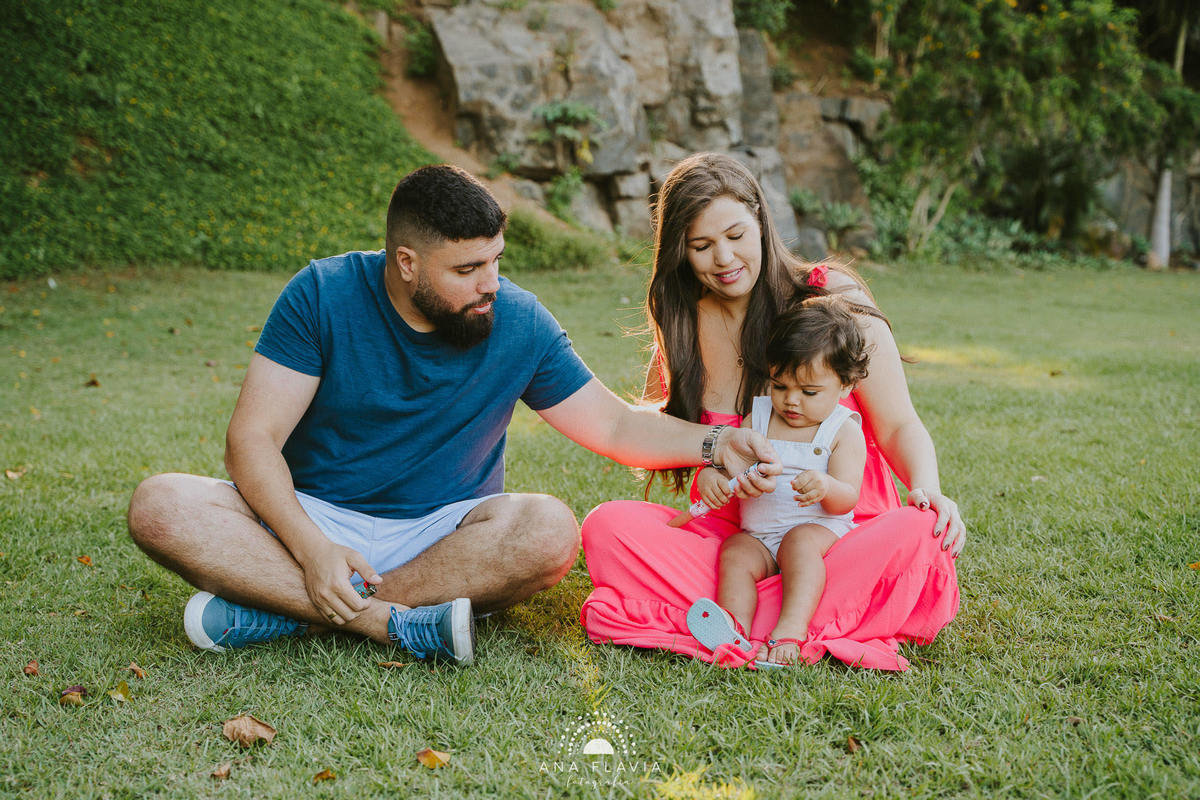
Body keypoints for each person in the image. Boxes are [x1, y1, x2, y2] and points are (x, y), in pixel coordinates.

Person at [126, 164, 778, 666]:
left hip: (442, 532)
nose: (490, 283)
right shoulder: (322, 293)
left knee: (549, 530)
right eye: (468, 269)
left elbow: (613, 426)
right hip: (311, 515)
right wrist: (314, 550)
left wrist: (719, 444)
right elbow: (252, 440)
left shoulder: (515, 319)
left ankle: (289, 612)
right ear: (406, 264)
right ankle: (392, 624)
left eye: (496, 261)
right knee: (160, 505)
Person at [579, 153, 965, 671]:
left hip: (837, 543)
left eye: (736, 235)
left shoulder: (832, 303)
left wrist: (928, 488)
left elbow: (898, 424)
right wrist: (716, 464)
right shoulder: (684, 326)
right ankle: (777, 625)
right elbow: (657, 433)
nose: (724, 258)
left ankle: (736, 627)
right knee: (608, 526)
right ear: (681, 253)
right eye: (702, 246)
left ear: (762, 221)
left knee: (917, 533)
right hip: (736, 544)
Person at [689, 296, 869, 666]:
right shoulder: (760, 416)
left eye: (809, 392)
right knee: (736, 552)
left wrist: (826, 488)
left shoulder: (840, 431)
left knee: (798, 544)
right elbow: (733, 464)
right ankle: (733, 628)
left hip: (817, 529)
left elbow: (847, 498)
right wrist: (714, 476)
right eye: (780, 385)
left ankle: (790, 630)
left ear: (846, 386)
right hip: (759, 535)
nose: (791, 401)